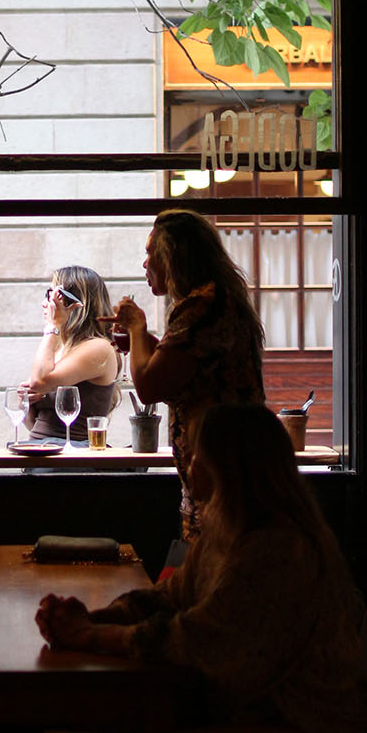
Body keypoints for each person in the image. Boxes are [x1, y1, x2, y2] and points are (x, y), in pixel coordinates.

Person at [36, 403, 367, 733]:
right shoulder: (227, 527)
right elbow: (171, 597)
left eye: (197, 455)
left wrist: (91, 635)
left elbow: (196, 639)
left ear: (229, 468)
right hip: (259, 711)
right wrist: (95, 617)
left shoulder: (278, 547)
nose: (188, 463)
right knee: (125, 731)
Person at [112, 208, 265, 542]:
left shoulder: (204, 305)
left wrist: (137, 327)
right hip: (214, 482)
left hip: (224, 486)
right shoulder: (214, 301)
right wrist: (144, 341)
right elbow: (182, 363)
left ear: (173, 256)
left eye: (151, 253)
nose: (145, 264)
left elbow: (150, 386)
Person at [25, 265, 121, 440]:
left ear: (71, 304)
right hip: (43, 452)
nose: (44, 303)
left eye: (51, 295)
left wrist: (53, 326)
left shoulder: (99, 347)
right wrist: (27, 402)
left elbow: (39, 381)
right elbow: (35, 425)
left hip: (71, 458)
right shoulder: (61, 347)